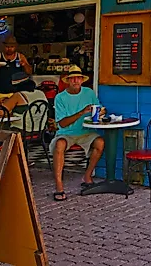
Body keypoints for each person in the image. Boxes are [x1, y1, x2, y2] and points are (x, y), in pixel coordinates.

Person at [51, 66, 106, 201]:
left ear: (82, 80)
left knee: (100, 142)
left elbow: (99, 108)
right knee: (59, 145)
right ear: (68, 81)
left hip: (86, 131)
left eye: (78, 78)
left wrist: (100, 112)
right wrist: (81, 112)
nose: (76, 80)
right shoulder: (60, 97)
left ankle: (87, 176)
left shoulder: (89, 93)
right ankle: (59, 185)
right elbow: (62, 123)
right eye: (72, 78)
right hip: (67, 133)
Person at [0, 36, 33, 103]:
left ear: (15, 47)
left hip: (16, 93)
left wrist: (25, 65)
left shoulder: (20, 56)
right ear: (4, 46)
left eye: (12, 47)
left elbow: (29, 72)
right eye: (7, 47)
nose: (9, 49)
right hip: (0, 91)